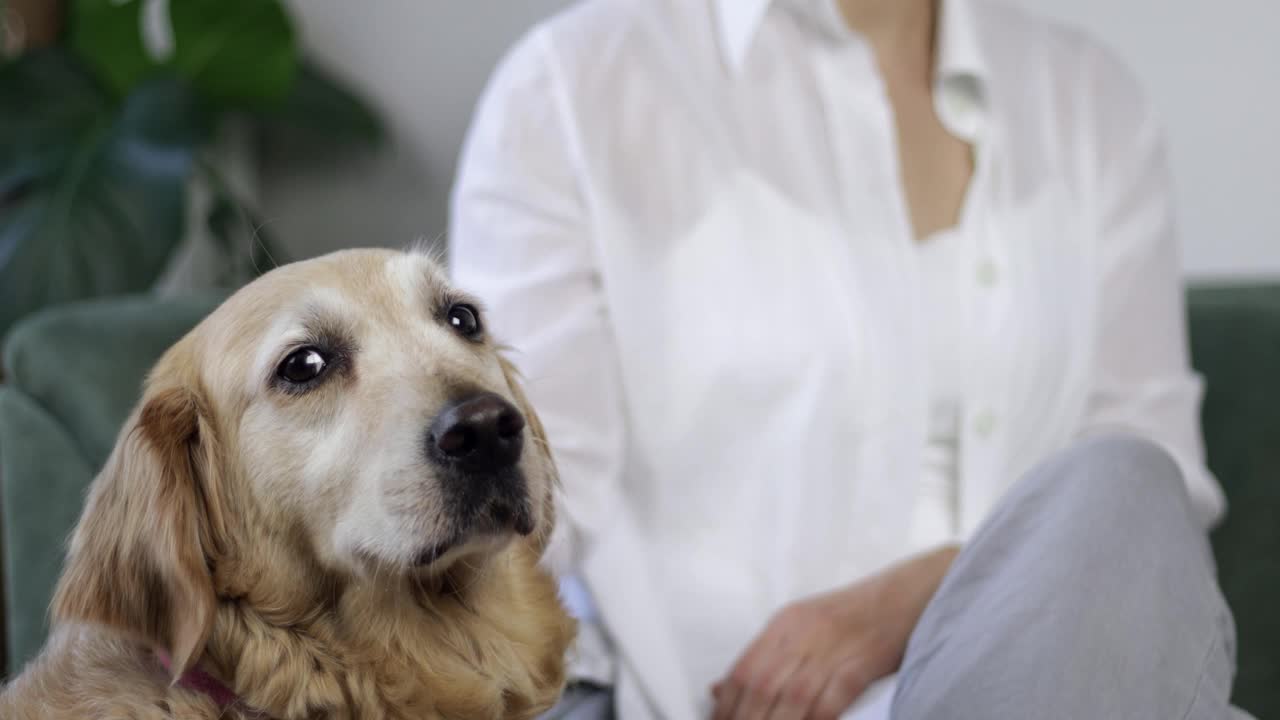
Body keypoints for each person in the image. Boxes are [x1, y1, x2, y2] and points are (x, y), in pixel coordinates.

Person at [449, 0, 1246, 718]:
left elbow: (1152, 490)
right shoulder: (571, 87)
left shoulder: (1088, 98)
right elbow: (541, 499)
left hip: (1080, 674)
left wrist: (904, 604)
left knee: (1123, 483)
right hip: (727, 699)